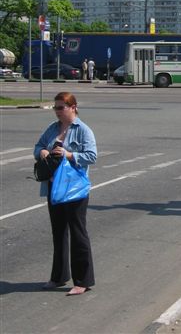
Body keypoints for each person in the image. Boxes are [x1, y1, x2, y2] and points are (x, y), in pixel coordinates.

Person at [34, 92, 97, 296]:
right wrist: (43, 152)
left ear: (73, 107)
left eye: (61, 107)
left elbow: (92, 156)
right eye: (56, 107)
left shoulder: (83, 130)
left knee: (78, 233)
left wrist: (68, 154)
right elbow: (38, 146)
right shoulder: (53, 128)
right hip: (54, 188)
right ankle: (59, 276)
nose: (57, 111)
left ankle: (83, 281)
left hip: (75, 190)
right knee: (58, 232)